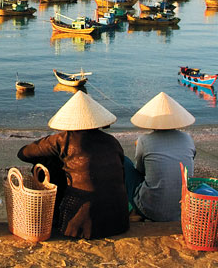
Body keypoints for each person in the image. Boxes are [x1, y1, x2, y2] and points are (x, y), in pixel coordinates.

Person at [17, 91, 128, 239]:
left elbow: (23, 154)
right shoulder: (111, 141)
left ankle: (54, 216)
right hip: (118, 221)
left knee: (45, 163)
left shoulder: (64, 139)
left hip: (81, 223)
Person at [125, 92, 196, 222]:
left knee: (124, 163)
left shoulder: (144, 140)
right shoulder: (187, 139)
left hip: (150, 209)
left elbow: (140, 170)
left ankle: (134, 208)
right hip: (182, 208)